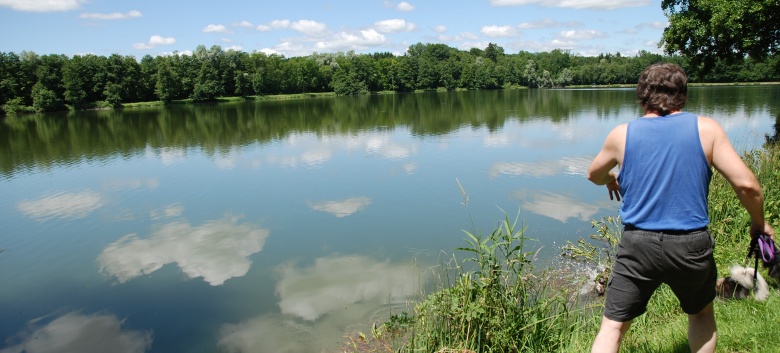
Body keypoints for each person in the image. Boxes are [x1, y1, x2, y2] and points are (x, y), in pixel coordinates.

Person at [586, 62, 775, 353]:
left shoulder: (621, 134)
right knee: (700, 314)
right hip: (690, 244)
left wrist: (611, 178)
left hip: (637, 244)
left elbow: (593, 174)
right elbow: (748, 186)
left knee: (612, 325)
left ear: (641, 96)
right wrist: (759, 222)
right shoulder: (706, 129)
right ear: (682, 95)